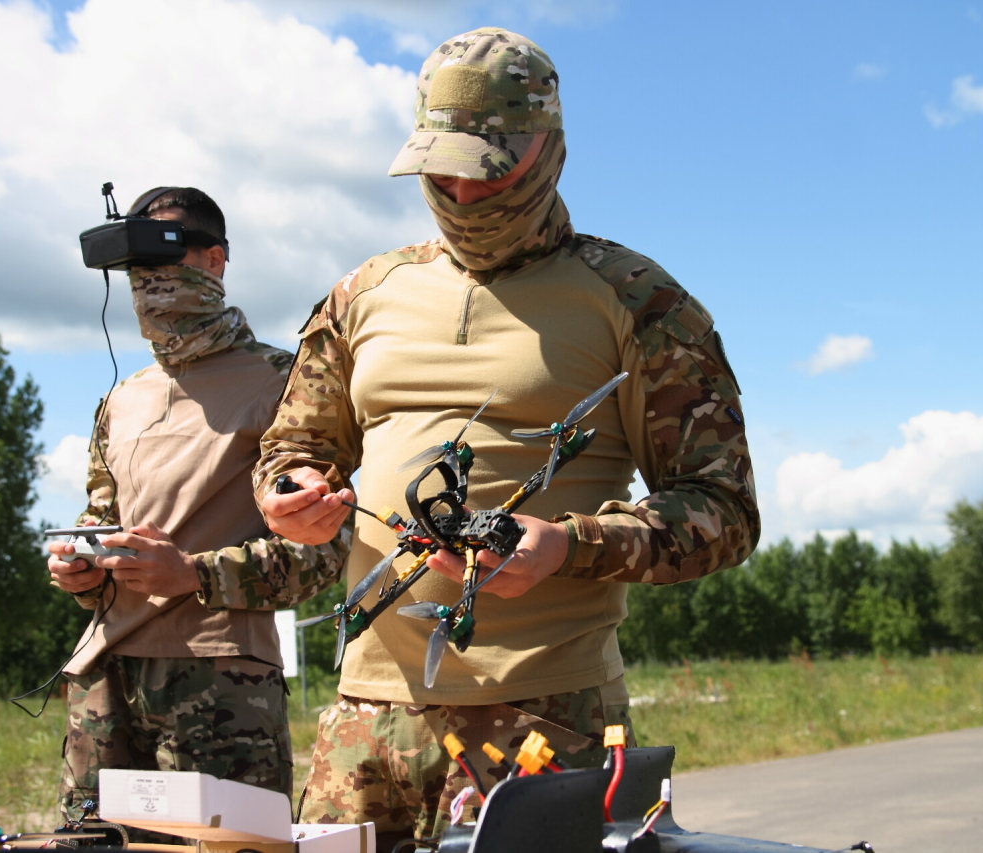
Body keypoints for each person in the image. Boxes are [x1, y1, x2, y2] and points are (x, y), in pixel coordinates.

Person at [257, 28, 760, 844]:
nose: (462, 192)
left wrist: (570, 545)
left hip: (546, 723)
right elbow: (290, 453)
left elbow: (725, 511)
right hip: (363, 728)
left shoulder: (638, 300)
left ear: (549, 148)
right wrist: (290, 496)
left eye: (489, 167)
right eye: (441, 169)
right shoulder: (361, 295)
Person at [46, 187, 347, 828]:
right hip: (102, 679)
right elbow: (100, 518)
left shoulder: (286, 383)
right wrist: (80, 569)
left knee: (231, 844)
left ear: (214, 261)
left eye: (166, 258)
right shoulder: (120, 400)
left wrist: (192, 573)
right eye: (136, 270)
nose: (150, 283)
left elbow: (326, 550)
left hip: (221, 683)